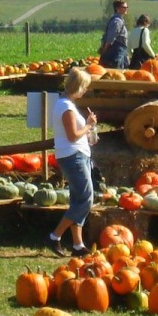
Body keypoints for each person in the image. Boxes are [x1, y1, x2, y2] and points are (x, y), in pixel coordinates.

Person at [46, 68, 98, 258]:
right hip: (72, 155)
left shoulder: (67, 104)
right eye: (84, 88)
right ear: (78, 86)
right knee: (86, 198)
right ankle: (55, 235)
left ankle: (77, 244)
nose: (85, 91)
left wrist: (89, 131)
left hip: (77, 154)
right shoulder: (65, 107)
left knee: (78, 199)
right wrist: (89, 125)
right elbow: (72, 135)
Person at [98, 0, 129, 69]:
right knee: (115, 70)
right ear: (117, 9)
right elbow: (110, 38)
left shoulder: (119, 20)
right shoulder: (117, 21)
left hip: (120, 50)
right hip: (116, 50)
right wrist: (104, 49)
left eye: (127, 7)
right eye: (124, 7)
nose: (126, 9)